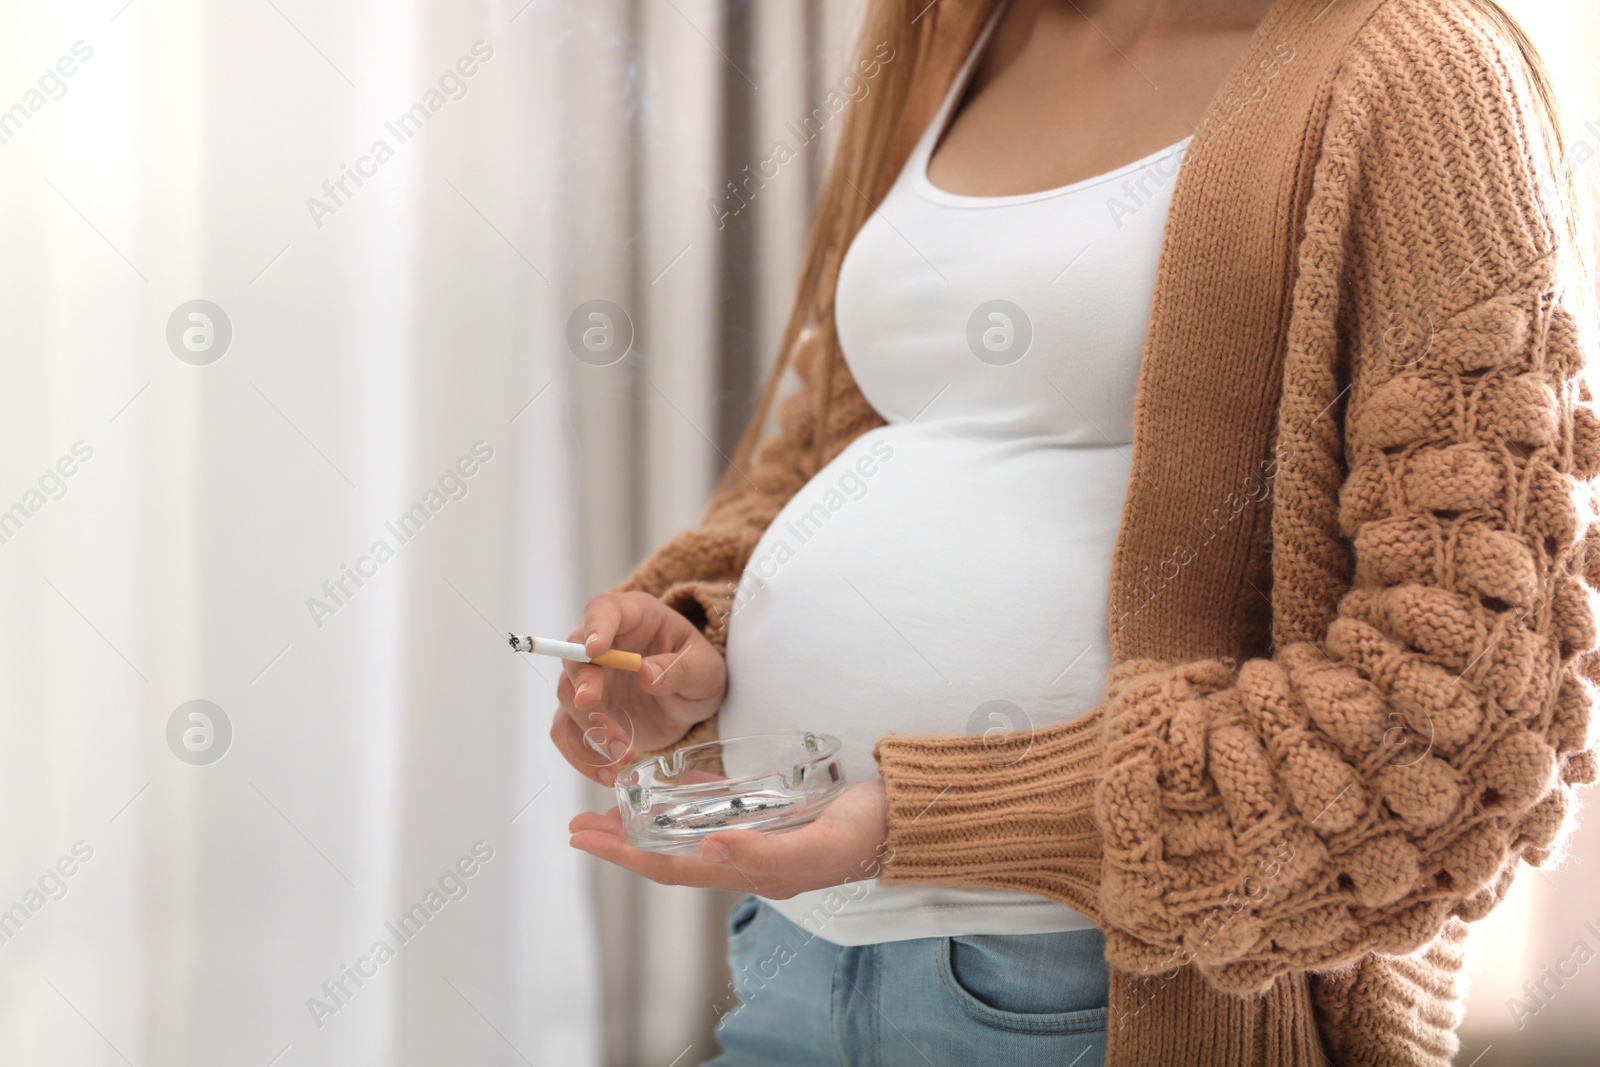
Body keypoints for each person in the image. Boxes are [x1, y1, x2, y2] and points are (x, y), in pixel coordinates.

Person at [551, 0, 1599, 1063]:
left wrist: (927, 818)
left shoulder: (1418, 72)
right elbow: (844, 444)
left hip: (1102, 994)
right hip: (792, 953)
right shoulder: (958, 34)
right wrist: (699, 635)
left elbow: (1472, 710)